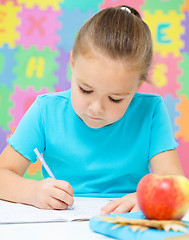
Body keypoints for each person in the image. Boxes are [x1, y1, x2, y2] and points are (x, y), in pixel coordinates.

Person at [0, 5, 184, 214]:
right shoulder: (46, 110)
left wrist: (148, 199)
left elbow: (176, 184)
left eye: (115, 99)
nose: (96, 108)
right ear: (72, 63)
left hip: (124, 223)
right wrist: (32, 191)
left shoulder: (150, 111)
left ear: (137, 87)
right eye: (85, 90)